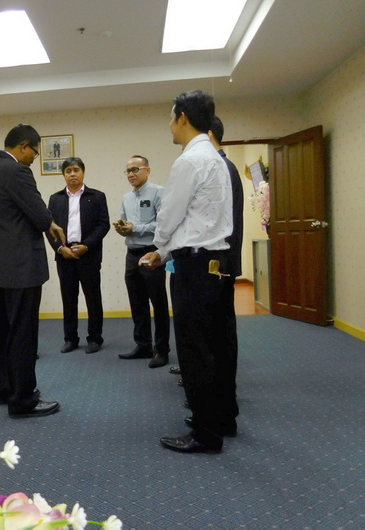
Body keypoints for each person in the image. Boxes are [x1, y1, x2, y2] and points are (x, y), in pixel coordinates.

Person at [140, 90, 234, 453]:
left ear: (182, 117)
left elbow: (170, 215)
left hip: (194, 267)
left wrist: (158, 248)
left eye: (171, 117)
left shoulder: (189, 160)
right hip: (217, 263)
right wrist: (165, 251)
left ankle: (205, 434)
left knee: (194, 350)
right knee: (215, 347)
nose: (169, 125)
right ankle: (220, 420)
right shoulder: (216, 158)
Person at [0, 123, 66, 419]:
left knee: (4, 332)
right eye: (35, 153)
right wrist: (50, 222)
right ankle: (23, 399)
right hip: (22, 267)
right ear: (24, 146)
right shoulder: (17, 171)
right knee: (23, 334)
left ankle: (5, 390)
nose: (34, 159)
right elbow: (40, 215)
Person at [47, 157, 110, 354]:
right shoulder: (55, 199)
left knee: (93, 298)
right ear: (63, 175)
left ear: (83, 172)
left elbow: (103, 225)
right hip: (65, 256)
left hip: (89, 255)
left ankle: (95, 338)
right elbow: (49, 228)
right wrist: (60, 248)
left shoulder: (97, 196)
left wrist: (87, 246)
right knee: (68, 298)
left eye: (76, 170)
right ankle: (70, 338)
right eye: (68, 171)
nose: (72, 174)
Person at [113, 156, 170, 369]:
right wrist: (122, 229)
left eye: (135, 169)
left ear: (148, 170)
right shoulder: (126, 198)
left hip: (152, 253)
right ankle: (143, 345)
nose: (131, 174)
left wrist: (135, 228)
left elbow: (163, 225)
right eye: (127, 171)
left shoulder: (159, 193)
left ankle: (162, 350)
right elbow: (127, 226)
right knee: (137, 303)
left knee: (158, 303)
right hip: (132, 254)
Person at [207, 115, 244, 432]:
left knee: (219, 338)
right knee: (218, 337)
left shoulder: (220, 168)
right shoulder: (222, 166)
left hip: (217, 266)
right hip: (220, 265)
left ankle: (222, 411)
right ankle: (222, 408)